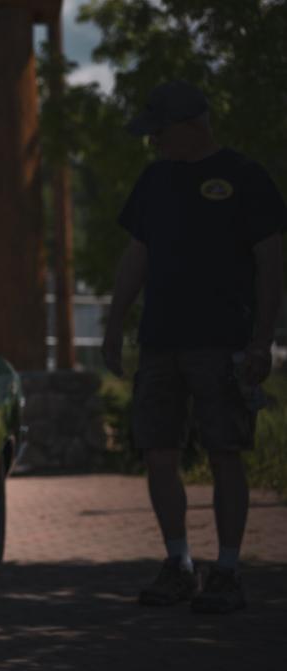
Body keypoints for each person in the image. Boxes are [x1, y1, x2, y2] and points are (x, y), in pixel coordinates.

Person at [102, 80, 285, 614]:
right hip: (160, 342)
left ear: (190, 126)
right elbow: (136, 256)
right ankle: (178, 563)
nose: (153, 142)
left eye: (158, 132)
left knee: (226, 452)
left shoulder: (246, 179)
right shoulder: (155, 180)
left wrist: (261, 339)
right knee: (159, 453)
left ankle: (227, 570)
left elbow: (270, 265)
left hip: (224, 343)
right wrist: (115, 325)